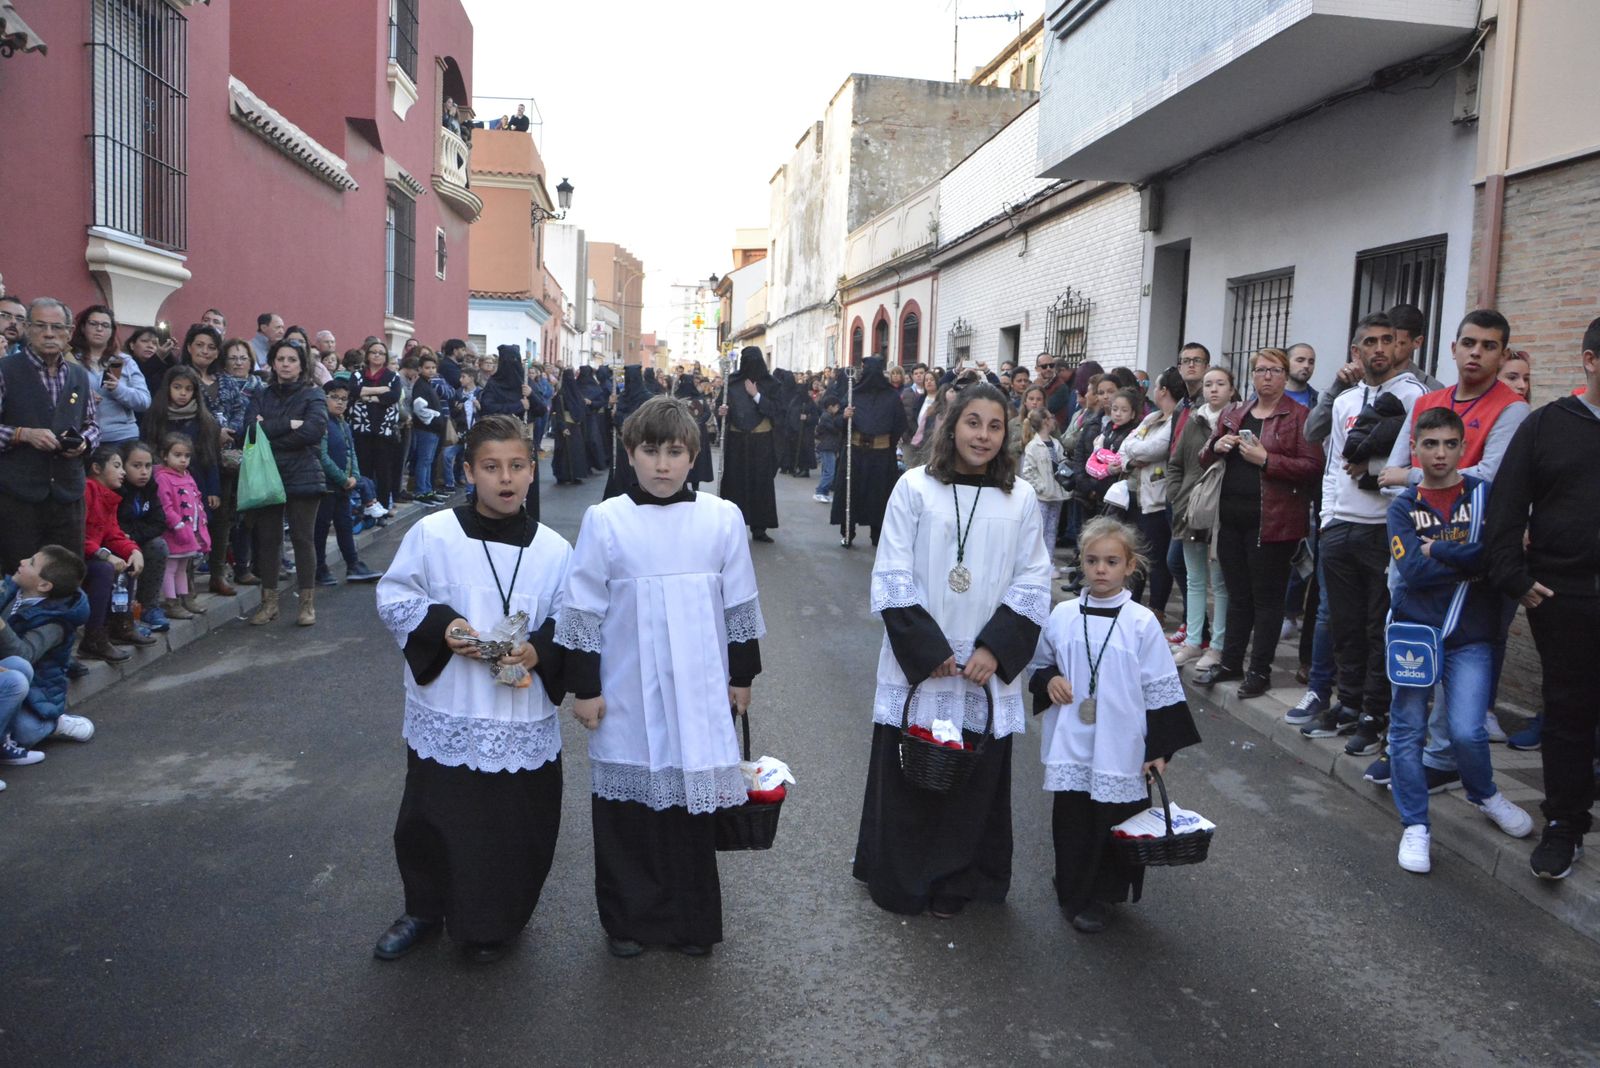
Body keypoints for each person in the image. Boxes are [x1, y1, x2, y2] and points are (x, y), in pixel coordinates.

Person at [557, 396, 766, 957]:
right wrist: (587, 688)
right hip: (625, 689)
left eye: (675, 452)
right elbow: (582, 611)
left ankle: (690, 922)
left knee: (688, 811)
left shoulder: (721, 518)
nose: (663, 465)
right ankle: (629, 921)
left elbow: (739, 606)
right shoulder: (606, 521)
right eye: (650, 451)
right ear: (630, 454)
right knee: (628, 812)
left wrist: (741, 676)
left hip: (700, 689)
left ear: (695, 456)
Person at [373, 414, 572, 964]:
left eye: (515, 466)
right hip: (449, 705)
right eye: (490, 467)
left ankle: (495, 921)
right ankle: (423, 909)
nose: (504, 479)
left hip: (519, 710)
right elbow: (395, 595)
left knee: (511, 825)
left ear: (533, 471)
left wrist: (538, 650)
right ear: (468, 472)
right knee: (433, 812)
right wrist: (443, 627)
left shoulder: (555, 550)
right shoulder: (433, 534)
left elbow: (575, 620)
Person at [853, 383, 1052, 918]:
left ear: (1006, 433)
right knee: (910, 770)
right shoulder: (914, 487)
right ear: (950, 425)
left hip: (985, 667)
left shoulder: (1022, 497)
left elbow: (1034, 579)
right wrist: (926, 648)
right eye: (972, 423)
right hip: (925, 659)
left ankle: (959, 879)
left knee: (972, 779)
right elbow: (892, 571)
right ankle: (903, 875)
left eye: (994, 426)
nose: (983, 436)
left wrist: (995, 648)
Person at [1029, 515, 1200, 931]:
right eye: (1091, 561)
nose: (1100, 570)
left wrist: (1160, 749)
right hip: (1073, 736)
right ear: (1081, 565)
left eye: (1110, 561)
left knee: (1116, 819)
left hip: (1123, 743)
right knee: (1072, 820)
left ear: (1130, 566)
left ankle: (1105, 892)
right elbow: (1039, 663)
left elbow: (1161, 687)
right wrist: (1049, 679)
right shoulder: (1063, 615)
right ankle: (1073, 891)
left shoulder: (1141, 622)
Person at [1386, 407, 1533, 875]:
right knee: (1407, 731)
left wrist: (1442, 548)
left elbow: (1499, 557)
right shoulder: (1402, 505)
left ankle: (1484, 793)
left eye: (1451, 444)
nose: (1441, 453)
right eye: (1431, 444)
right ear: (1416, 449)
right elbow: (1412, 570)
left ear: (1463, 448)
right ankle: (1415, 824)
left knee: (1469, 731)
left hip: (1471, 635)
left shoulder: (1485, 495)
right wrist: (1471, 561)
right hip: (1415, 632)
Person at [1485, 315, 1600, 881]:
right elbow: (1505, 507)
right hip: (1567, 595)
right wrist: (1514, 576)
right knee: (1570, 715)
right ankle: (1565, 824)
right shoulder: (1548, 425)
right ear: (1590, 361)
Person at [1299, 315, 1426, 744]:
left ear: (1398, 346)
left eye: (1387, 340)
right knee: (1344, 624)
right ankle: (1348, 703)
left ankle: (1375, 713)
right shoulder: (1345, 401)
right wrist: (1329, 521)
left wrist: (1376, 473)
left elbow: (1419, 463)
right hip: (1341, 528)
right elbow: (1334, 464)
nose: (1379, 349)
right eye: (1369, 341)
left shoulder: (1416, 395)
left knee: (1379, 626)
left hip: (1385, 529)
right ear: (1356, 351)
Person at [1193, 349, 1323, 697]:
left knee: (1267, 601)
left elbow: (1312, 468)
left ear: (1284, 375)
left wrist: (1268, 460)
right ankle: (1231, 663)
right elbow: (1203, 458)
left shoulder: (1299, 416)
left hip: (1274, 523)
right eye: (1260, 370)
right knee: (1238, 596)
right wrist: (1216, 445)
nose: (1267, 376)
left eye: (1275, 370)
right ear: (1251, 376)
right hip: (1230, 520)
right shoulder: (1236, 413)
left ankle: (1259, 671)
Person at [0, 298, 99, 575]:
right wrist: (22, 434)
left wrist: (84, 442)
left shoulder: (79, 375)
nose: (49, 333)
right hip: (19, 495)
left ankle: (66, 620)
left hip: (67, 493)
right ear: (28, 329)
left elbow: (92, 423)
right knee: (20, 575)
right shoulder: (6, 370)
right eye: (41, 326)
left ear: (69, 333)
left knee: (67, 574)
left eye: (57, 327)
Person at [241, 340, 328, 627]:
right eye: (281, 358)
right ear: (273, 362)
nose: (286, 364)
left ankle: (307, 604)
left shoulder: (313, 395)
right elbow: (250, 429)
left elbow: (313, 430)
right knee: (268, 540)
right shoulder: (261, 394)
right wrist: (289, 424)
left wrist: (271, 433)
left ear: (302, 364)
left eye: (292, 359)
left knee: (303, 539)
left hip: (303, 475)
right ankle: (269, 604)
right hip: (267, 474)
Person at [1165, 365, 1235, 669]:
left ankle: (1217, 646)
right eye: (1208, 384)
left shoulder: (1238, 420)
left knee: (1220, 583)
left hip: (1225, 512)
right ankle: (1194, 641)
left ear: (1232, 389)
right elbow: (1176, 463)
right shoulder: (1193, 419)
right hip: (1191, 510)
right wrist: (1178, 497)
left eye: (1220, 383)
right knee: (1194, 578)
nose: (1214, 389)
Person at [0, 547, 92, 752]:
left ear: (43, 585)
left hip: (36, 691)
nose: (23, 561)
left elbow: (24, 655)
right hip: (12, 675)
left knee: (26, 732)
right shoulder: (14, 588)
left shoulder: (55, 623)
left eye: (31, 562)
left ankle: (54, 723)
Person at [1118, 367, 1184, 615]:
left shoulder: (1175, 420)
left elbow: (1155, 449)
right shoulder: (1151, 418)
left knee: (1158, 559)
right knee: (1137, 554)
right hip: (1139, 496)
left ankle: (1156, 608)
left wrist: (1136, 451)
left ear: (1163, 391)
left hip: (1159, 498)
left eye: (1156, 386)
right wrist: (1132, 458)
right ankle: (1132, 605)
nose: (1154, 391)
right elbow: (1126, 446)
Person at [833, 356, 907, 547]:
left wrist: (887, 443)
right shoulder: (852, 394)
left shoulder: (891, 397)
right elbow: (838, 423)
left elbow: (900, 423)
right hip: (856, 452)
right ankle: (848, 533)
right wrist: (845, 416)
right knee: (852, 493)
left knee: (879, 496)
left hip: (881, 454)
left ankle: (877, 534)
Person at [81, 445, 146, 663]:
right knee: (104, 569)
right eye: (117, 466)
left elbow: (113, 533)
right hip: (77, 556)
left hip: (94, 553)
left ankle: (121, 624)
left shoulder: (109, 496)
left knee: (127, 564)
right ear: (97, 468)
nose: (123, 472)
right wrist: (105, 555)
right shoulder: (87, 490)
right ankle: (93, 637)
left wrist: (134, 550)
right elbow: (77, 535)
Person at [313, 380, 380, 587]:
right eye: (334, 397)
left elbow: (351, 453)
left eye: (344, 399)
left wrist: (355, 477)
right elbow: (322, 456)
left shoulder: (343, 424)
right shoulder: (321, 422)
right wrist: (343, 478)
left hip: (343, 486)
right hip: (326, 486)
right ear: (324, 398)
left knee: (344, 525)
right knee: (321, 527)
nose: (340, 403)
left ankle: (353, 564)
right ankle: (319, 567)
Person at [719, 346, 780, 542]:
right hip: (737, 441)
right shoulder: (732, 382)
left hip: (761, 441)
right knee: (735, 483)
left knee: (760, 484)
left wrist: (756, 395)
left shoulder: (771, 384)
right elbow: (721, 407)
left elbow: (777, 412)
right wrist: (721, 411)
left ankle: (759, 528)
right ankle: (731, 526)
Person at [71, 305, 149, 448]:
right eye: (93, 324)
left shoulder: (125, 361)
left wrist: (119, 389)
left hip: (123, 437)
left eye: (105, 325)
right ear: (83, 327)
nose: (99, 329)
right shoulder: (70, 359)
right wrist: (82, 396)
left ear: (112, 331)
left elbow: (144, 402)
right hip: (83, 437)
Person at [152, 433, 211, 621]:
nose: (183, 460)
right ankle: (171, 601)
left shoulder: (187, 476)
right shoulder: (163, 478)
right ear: (165, 455)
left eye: (186, 456)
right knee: (170, 568)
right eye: (177, 455)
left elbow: (197, 497)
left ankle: (186, 598)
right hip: (174, 533)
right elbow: (165, 506)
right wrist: (178, 525)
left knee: (183, 568)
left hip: (189, 531)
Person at [479, 345, 541, 522]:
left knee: (523, 481)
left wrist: (532, 396)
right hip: (499, 441)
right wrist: (518, 406)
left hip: (524, 441)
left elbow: (542, 409)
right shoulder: (494, 384)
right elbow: (488, 409)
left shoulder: (526, 383)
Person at [116, 441, 171, 633]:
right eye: (136, 466)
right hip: (117, 544)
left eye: (148, 466)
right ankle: (123, 616)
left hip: (136, 539)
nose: (144, 472)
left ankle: (149, 607)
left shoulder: (150, 488)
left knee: (158, 545)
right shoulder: (117, 489)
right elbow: (118, 525)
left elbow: (159, 522)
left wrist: (135, 535)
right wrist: (130, 539)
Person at [351, 339, 403, 514]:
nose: (377, 355)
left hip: (384, 431)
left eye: (381, 353)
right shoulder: (358, 375)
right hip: (362, 430)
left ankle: (383, 506)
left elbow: (394, 396)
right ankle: (366, 506)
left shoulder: (393, 376)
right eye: (373, 352)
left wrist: (368, 395)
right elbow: (354, 391)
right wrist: (381, 391)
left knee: (383, 472)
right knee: (364, 470)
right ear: (367, 355)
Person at [1018, 408, 1068, 573]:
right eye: (1051, 417)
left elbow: (1062, 462)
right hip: (1042, 497)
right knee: (1038, 529)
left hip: (1057, 494)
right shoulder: (1033, 446)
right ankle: (1035, 562)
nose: (1054, 421)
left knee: (1052, 530)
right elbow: (1028, 471)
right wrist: (1041, 487)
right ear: (1046, 421)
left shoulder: (1056, 443)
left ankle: (1049, 562)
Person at [407, 352, 449, 504]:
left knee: (429, 460)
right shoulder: (420, 385)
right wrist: (435, 417)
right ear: (419, 369)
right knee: (424, 460)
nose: (431, 370)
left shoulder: (428, 384)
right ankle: (421, 492)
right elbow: (419, 408)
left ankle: (428, 489)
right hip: (426, 430)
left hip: (433, 430)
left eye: (433, 367)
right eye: (427, 367)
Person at [672, 372, 716, 491]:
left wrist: (698, 422)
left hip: (698, 434)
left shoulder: (698, 397)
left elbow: (707, 412)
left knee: (697, 461)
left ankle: (695, 487)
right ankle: (683, 486)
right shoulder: (676, 398)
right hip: (681, 433)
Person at [550, 367, 592, 486]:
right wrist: (563, 427)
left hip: (572, 426)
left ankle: (573, 475)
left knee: (574, 452)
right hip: (568, 426)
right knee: (565, 452)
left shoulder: (571, 393)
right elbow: (559, 412)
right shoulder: (563, 395)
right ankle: (565, 475)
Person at [814, 395, 843, 503]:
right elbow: (835, 429)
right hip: (827, 446)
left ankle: (824, 493)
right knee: (829, 472)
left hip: (830, 446)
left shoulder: (828, 416)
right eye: (836, 407)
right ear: (830, 407)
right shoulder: (826, 416)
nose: (838, 409)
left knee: (827, 470)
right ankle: (819, 491)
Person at [1284, 343, 1317, 408]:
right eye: (1300, 360)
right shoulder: (1268, 395)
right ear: (1286, 362)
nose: (1306, 366)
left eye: (1311, 362)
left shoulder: (1318, 400)